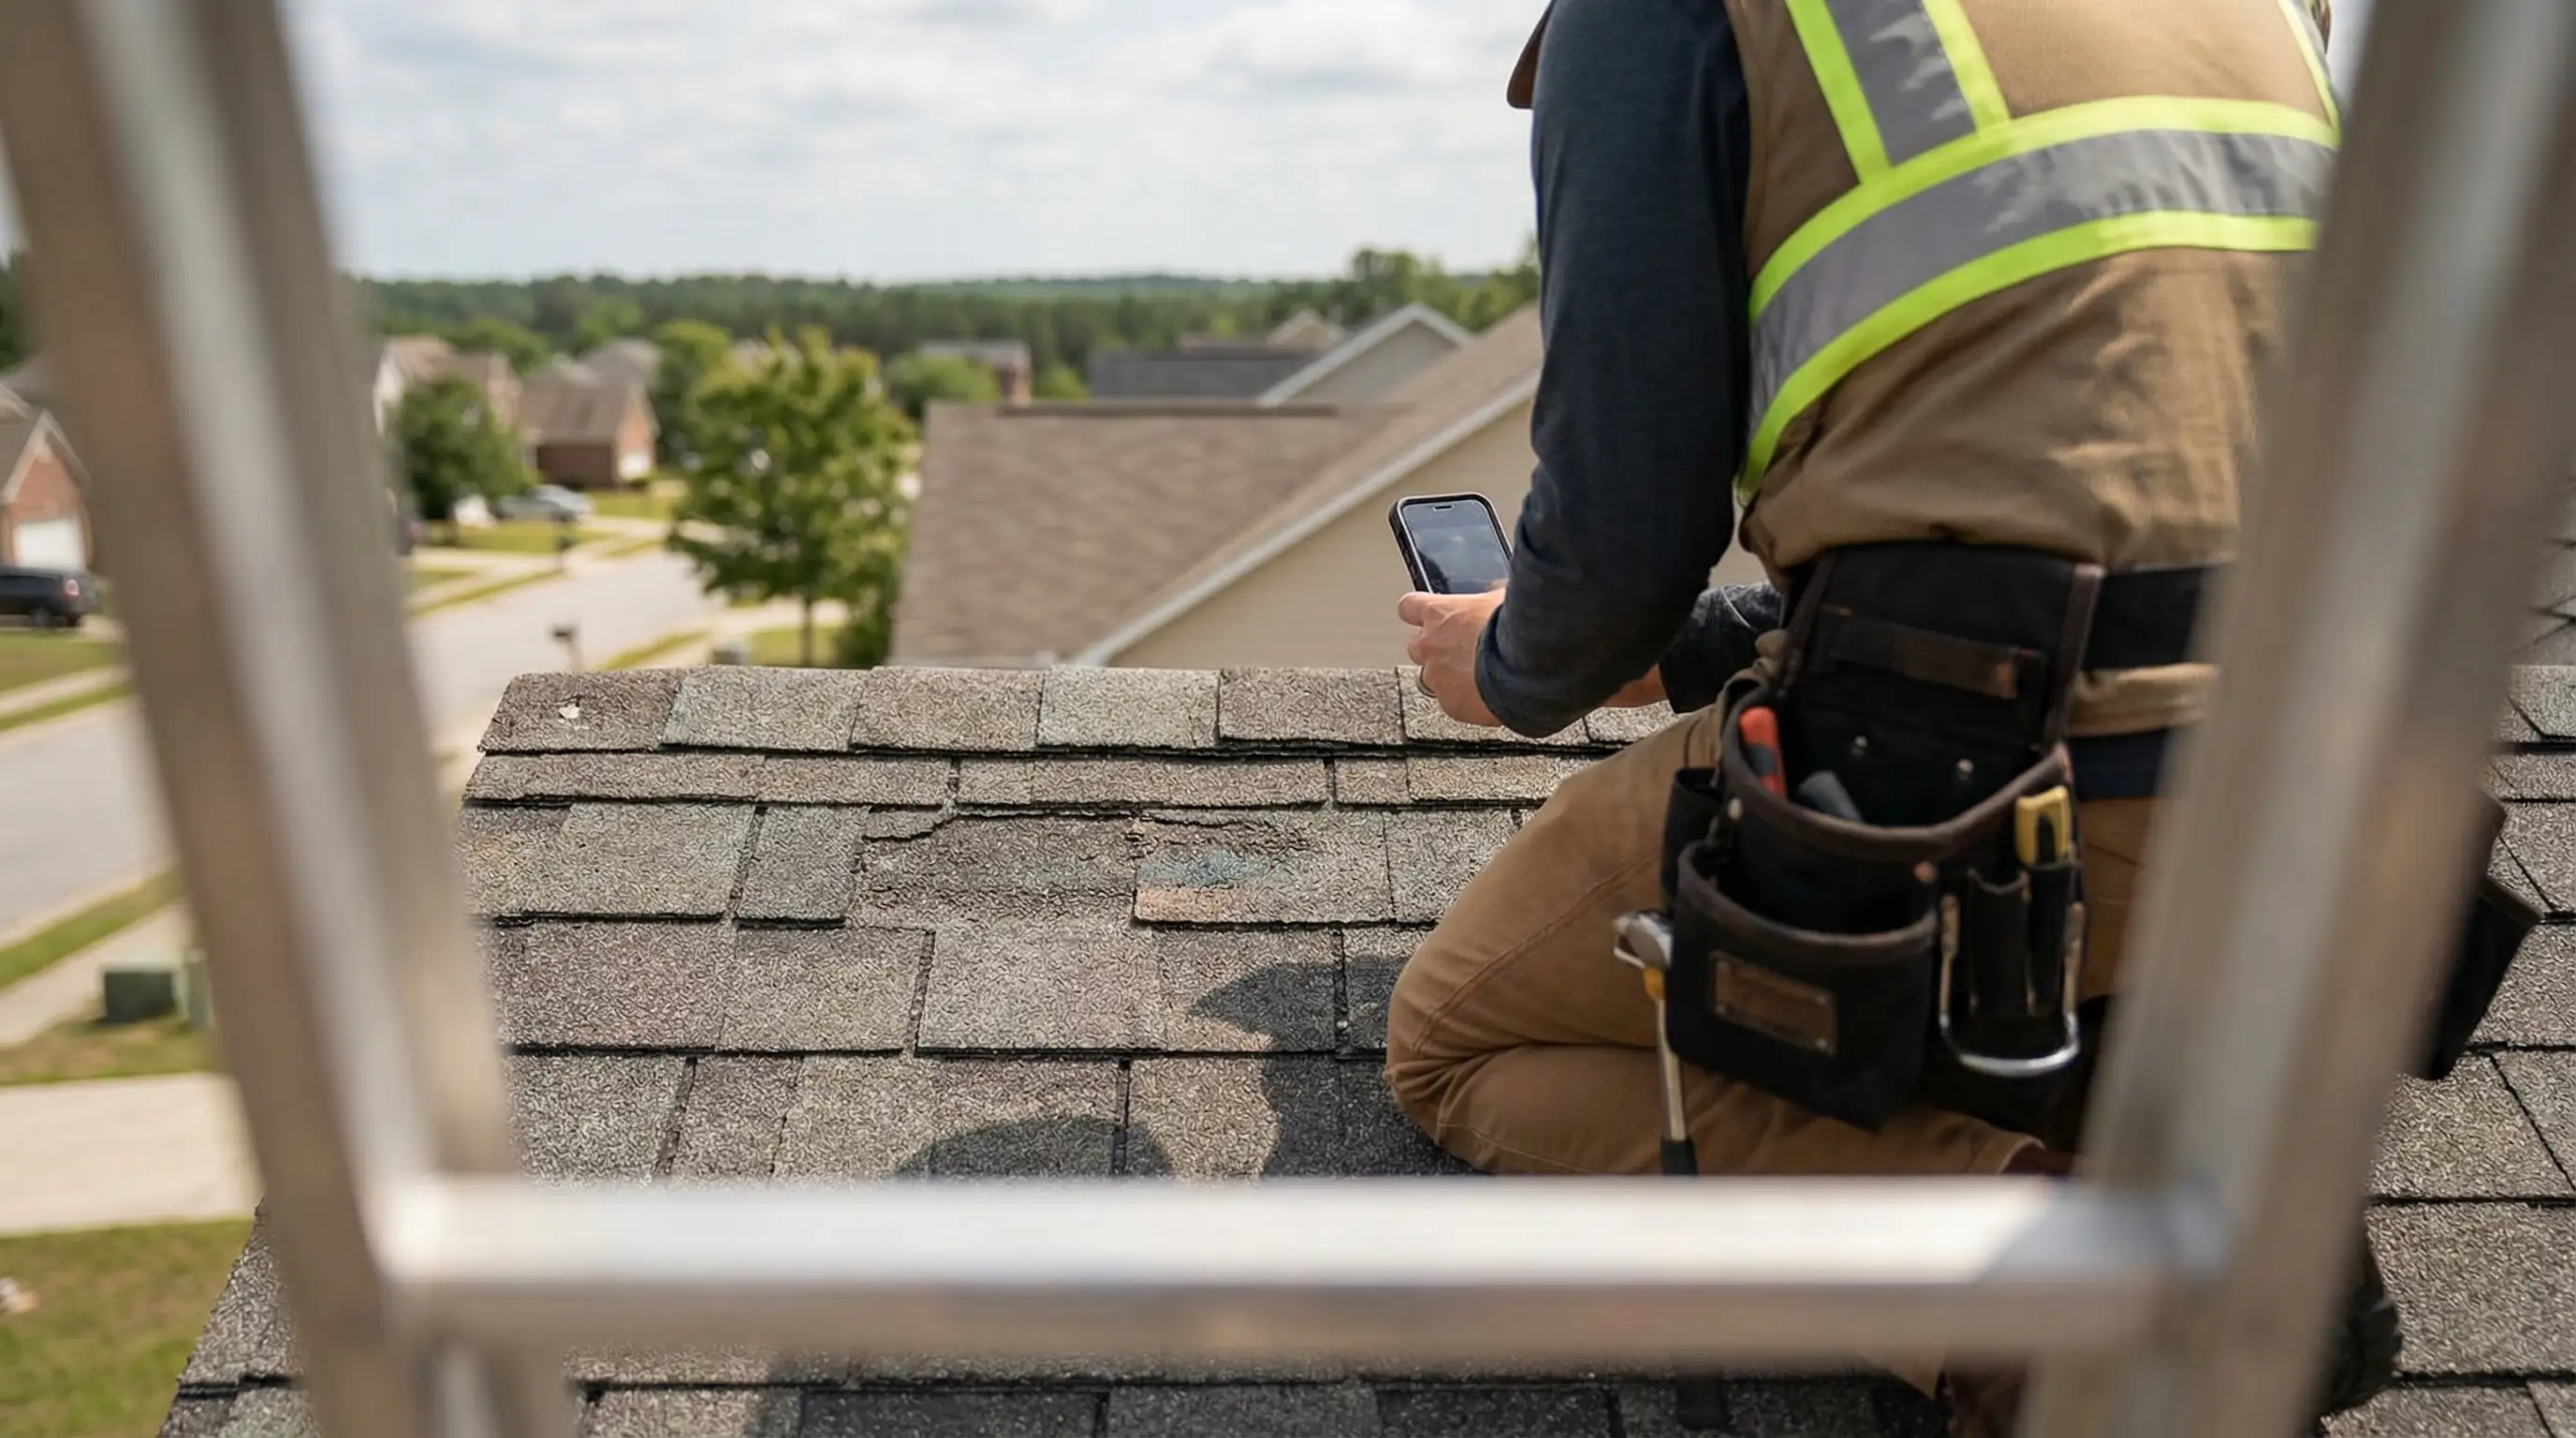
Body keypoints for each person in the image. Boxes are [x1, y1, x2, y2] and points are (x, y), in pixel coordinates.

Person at [1384, 2, 2375, 1432]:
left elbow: (1616, 548)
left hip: (1986, 776)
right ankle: (2186, 1179)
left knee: (1456, 1042)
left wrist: (1514, 667)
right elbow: (2102, 450)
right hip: (2320, 766)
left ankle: (2054, 1303)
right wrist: (1700, 652)